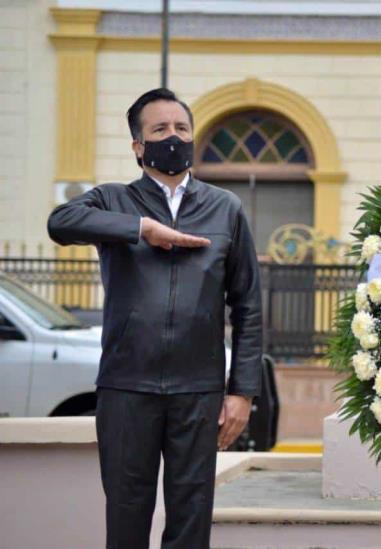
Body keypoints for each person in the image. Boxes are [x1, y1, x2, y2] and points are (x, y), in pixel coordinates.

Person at [47, 88, 263, 549]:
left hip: (197, 391)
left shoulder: (225, 208)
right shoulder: (113, 201)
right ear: (138, 146)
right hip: (127, 387)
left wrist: (241, 392)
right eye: (160, 130)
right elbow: (60, 222)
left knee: (191, 520)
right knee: (126, 516)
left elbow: (247, 305)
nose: (173, 137)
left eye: (181, 128)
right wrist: (140, 229)